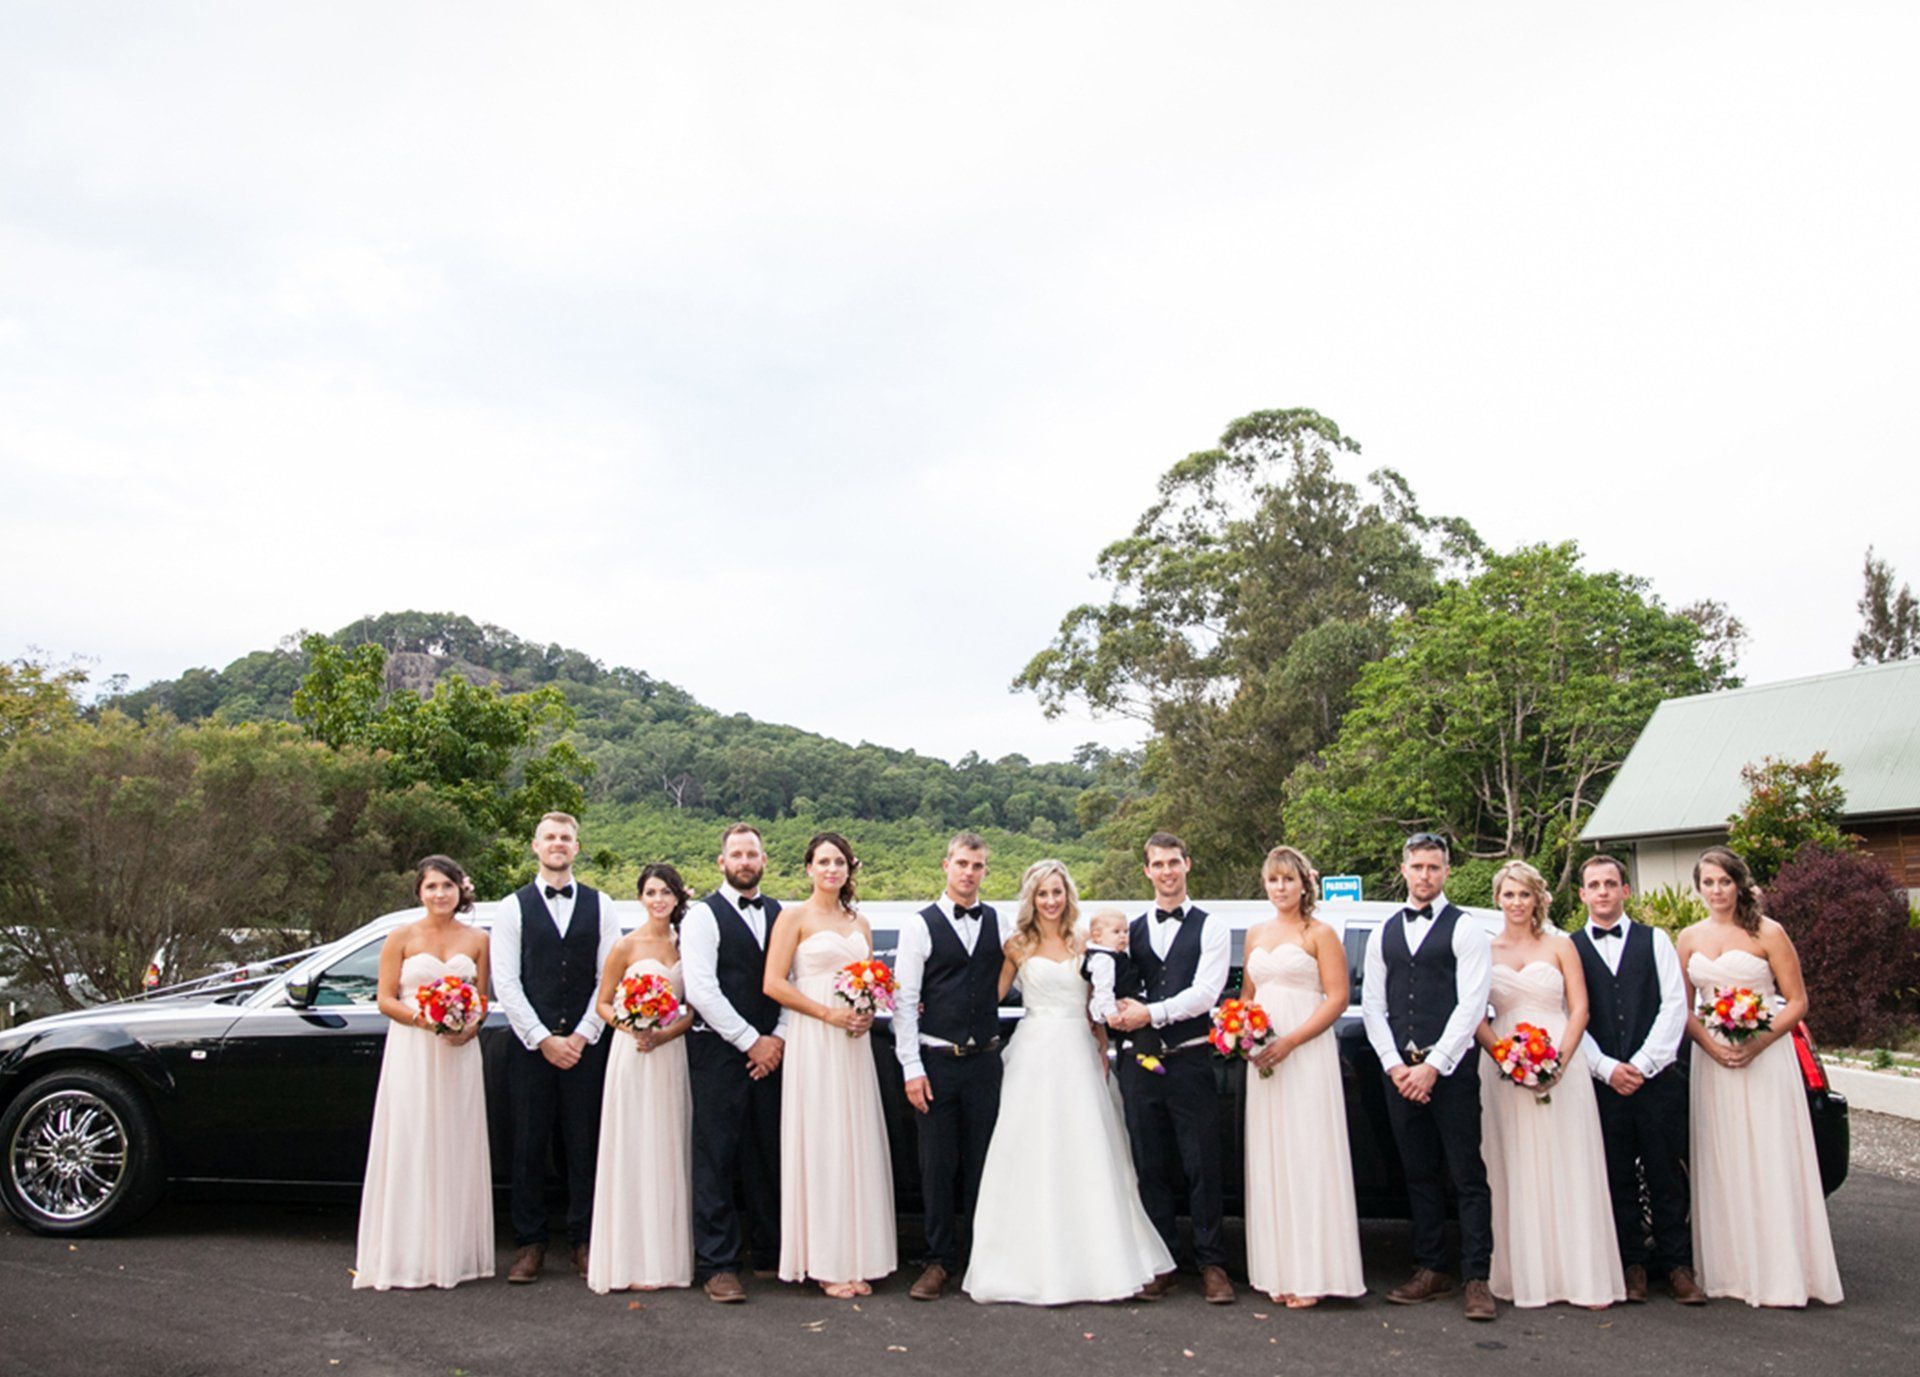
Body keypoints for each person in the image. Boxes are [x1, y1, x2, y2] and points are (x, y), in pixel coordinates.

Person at [963, 860, 1174, 1304]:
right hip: (1033, 1052)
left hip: (1078, 1051)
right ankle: (1025, 1264)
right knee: (1029, 1151)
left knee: (1088, 1150)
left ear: (1068, 895)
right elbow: (990, 997)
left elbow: (1095, 1003)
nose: (1051, 901)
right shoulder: (1017, 946)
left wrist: (1101, 1044)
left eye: (1058, 892)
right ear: (1031, 898)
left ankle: (1098, 1261)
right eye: (1043, 893)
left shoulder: (1086, 943)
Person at [1678, 846, 1843, 1308]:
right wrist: (1711, 1046)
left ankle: (1782, 1273)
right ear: (1699, 888)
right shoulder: (1688, 938)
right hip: (1712, 1064)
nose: (1716, 891)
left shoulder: (1769, 933)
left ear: (1739, 884)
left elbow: (1796, 1002)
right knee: (1723, 1158)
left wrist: (1756, 1043)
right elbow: (1681, 1007)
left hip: (1765, 1059)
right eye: (1708, 883)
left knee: (1770, 1156)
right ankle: (1731, 1272)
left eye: (1724, 882)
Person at [1475, 860, 1624, 1310]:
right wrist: (1507, 1056)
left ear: (1538, 898)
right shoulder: (1484, 950)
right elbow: (1474, 1015)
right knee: (1513, 1166)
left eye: (1525, 894)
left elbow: (1579, 1008)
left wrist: (1558, 1060)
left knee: (1569, 1161)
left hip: (1563, 1062)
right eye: (1509, 894)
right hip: (1504, 1067)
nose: (1517, 902)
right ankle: (1523, 1276)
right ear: (1497, 899)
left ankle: (1580, 1276)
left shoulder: (1561, 946)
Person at [1360, 833, 1497, 1321]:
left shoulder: (1466, 929)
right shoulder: (1383, 933)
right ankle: (1431, 1267)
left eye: (1434, 868)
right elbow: (1373, 1004)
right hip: (1399, 1073)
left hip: (1451, 1072)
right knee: (1417, 1173)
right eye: (1417, 867)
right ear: (1403, 869)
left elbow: (1472, 1004)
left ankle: (1477, 1277)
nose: (1425, 876)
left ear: (1446, 871)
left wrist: (1433, 1067)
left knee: (1466, 1175)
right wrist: (1396, 1066)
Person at [763, 832, 897, 1298]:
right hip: (814, 1035)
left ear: (849, 868)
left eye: (839, 862)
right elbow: (773, 984)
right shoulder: (792, 917)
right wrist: (827, 1013)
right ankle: (824, 1261)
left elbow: (873, 982)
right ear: (809, 868)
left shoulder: (860, 922)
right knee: (821, 1141)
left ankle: (858, 1254)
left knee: (853, 1141)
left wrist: (867, 1011)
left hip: (853, 1041)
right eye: (823, 861)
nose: (832, 869)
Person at [492, 813, 621, 1284]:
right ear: (535, 845)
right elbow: (505, 981)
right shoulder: (512, 907)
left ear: (577, 847)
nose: (558, 844)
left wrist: (584, 1034)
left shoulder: (601, 904)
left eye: (566, 837)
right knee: (527, 1145)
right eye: (550, 837)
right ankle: (529, 1244)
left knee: (584, 1144)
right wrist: (543, 1039)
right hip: (531, 1048)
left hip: (587, 1046)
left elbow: (608, 977)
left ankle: (584, 1240)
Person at [354, 855, 493, 1290]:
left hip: (459, 1053)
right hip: (413, 1050)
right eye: (431, 886)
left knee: (454, 1141)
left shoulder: (478, 939)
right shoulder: (400, 936)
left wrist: (468, 1027)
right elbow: (385, 999)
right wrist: (425, 1020)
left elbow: (483, 999)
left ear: (460, 891)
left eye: (447, 886)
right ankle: (407, 1254)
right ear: (419, 890)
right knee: (412, 1141)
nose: (439, 894)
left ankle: (454, 1255)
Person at [1107, 832, 1233, 1304]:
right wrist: (1114, 1011)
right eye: (1157, 864)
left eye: (1173, 862)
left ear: (1187, 864)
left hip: (1191, 1059)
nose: (1166, 871)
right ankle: (1162, 1263)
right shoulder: (1129, 931)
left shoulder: (1212, 928)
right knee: (1149, 1163)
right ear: (1146, 871)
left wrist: (1150, 1013)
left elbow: (1205, 994)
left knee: (1202, 1163)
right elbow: (1110, 982)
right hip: (1138, 1065)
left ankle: (1212, 1263)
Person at [1572, 855, 1704, 1305]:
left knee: (1665, 1174)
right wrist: (1605, 1068)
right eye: (1595, 885)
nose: (1603, 892)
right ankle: (1631, 1265)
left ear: (1626, 891)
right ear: (1582, 894)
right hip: (1601, 1084)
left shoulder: (1655, 941)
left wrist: (1643, 1065)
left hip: (1656, 1081)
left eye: (1611, 883)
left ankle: (1678, 1266)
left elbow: (1674, 1007)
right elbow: (1570, 1016)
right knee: (1615, 1175)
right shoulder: (1570, 948)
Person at [1240, 846, 1364, 1308]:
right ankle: (1279, 1271)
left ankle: (1314, 1274)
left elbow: (1336, 998)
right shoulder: (1254, 934)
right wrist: (1242, 1035)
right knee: (1272, 1156)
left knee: (1309, 1156)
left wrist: (1290, 1041)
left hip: (1306, 1052)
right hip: (1264, 1058)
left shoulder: (1321, 933)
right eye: (1273, 880)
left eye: (1288, 880)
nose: (1280, 888)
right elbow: (1249, 995)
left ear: (1304, 884)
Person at [893, 832, 1006, 1301]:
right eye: (962, 863)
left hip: (986, 1062)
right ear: (946, 865)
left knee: (986, 1164)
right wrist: (910, 1068)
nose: (969, 873)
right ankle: (937, 1261)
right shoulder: (918, 925)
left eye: (977, 866)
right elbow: (904, 1001)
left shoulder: (999, 920)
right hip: (937, 1060)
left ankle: (982, 1260)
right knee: (937, 1167)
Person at [682, 823, 788, 1303]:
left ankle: (770, 1253)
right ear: (722, 862)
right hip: (719, 1054)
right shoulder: (702, 916)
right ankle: (718, 1264)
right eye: (736, 854)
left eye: (753, 853)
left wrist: (778, 1040)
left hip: (775, 1053)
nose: (745, 861)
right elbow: (701, 989)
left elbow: (794, 981)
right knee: (715, 1158)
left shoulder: (784, 913)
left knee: (770, 1152)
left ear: (765, 861)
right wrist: (751, 1042)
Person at [587, 863, 696, 1294]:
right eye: (651, 892)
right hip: (632, 1055)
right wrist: (633, 1026)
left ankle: (666, 1259)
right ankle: (628, 1258)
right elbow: (603, 1003)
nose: (659, 900)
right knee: (632, 1146)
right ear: (640, 897)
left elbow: (692, 1007)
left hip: (671, 1054)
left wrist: (665, 1032)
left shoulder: (688, 945)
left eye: (666, 892)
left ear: (676, 898)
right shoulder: (624, 947)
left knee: (668, 1145)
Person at [1081, 910, 1162, 1073]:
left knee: (1146, 1018)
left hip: (1127, 998)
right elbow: (1103, 988)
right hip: (1115, 1002)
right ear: (1097, 936)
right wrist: (1110, 1012)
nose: (1123, 936)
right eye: (1116, 932)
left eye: (1126, 931)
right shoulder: (1103, 959)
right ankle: (1142, 1053)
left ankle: (1136, 1047)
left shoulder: (1116, 955)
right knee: (1145, 1020)